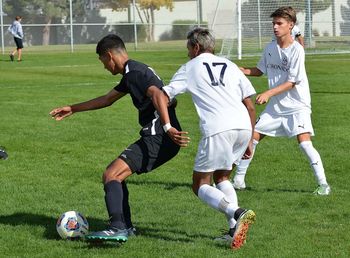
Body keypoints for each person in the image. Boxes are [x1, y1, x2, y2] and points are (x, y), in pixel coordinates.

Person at [49, 34, 189, 243]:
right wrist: (73, 108)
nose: (105, 67)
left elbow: (158, 94)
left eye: (103, 61)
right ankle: (125, 226)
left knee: (111, 175)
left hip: (160, 137)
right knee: (116, 175)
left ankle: (117, 227)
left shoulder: (134, 72)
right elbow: (107, 99)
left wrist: (168, 127)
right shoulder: (133, 72)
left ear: (109, 56)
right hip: (162, 137)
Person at [152, 27, 257, 249]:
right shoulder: (230, 64)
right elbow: (249, 104)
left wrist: (168, 126)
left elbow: (161, 94)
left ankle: (238, 212)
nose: (188, 53)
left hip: (218, 128)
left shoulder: (191, 67)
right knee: (222, 177)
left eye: (188, 48)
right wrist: (248, 138)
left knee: (199, 184)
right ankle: (233, 232)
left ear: (196, 47)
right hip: (242, 125)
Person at [232, 6, 331, 195]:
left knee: (304, 143)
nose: (275, 27)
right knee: (251, 138)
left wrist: (268, 93)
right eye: (273, 23)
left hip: (297, 105)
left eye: (279, 23)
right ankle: (238, 180)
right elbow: (260, 70)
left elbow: (292, 82)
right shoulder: (270, 48)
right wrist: (242, 70)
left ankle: (323, 184)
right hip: (276, 107)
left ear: (290, 25)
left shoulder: (297, 51)